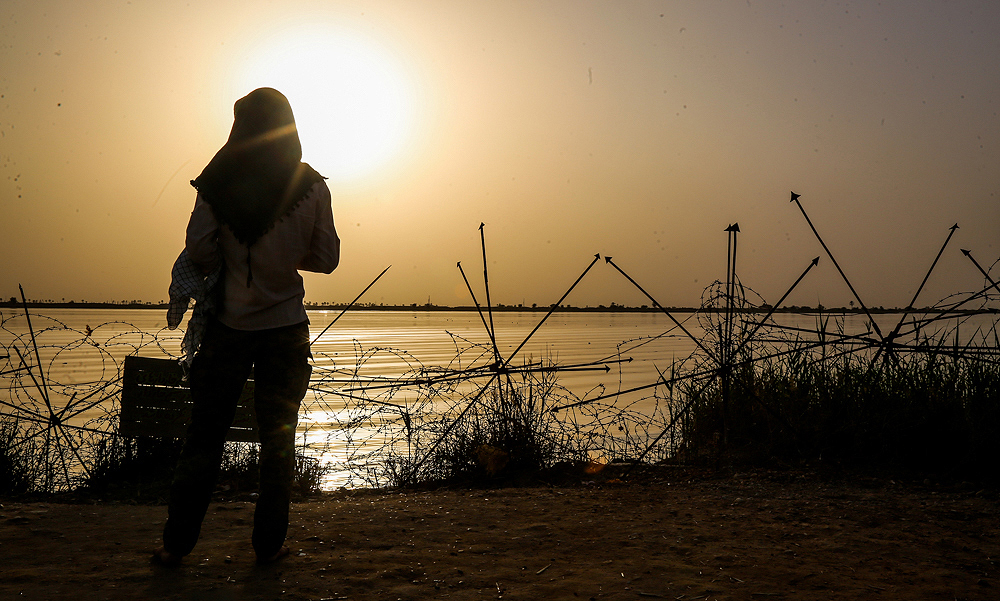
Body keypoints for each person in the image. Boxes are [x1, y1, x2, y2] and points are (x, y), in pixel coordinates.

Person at [155, 87, 340, 566]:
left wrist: (233, 260)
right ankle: (267, 547)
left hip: (227, 330)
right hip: (286, 329)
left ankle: (177, 546)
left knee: (204, 435)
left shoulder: (218, 182)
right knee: (278, 439)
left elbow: (198, 248)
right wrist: (283, 252)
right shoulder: (312, 186)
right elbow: (327, 258)